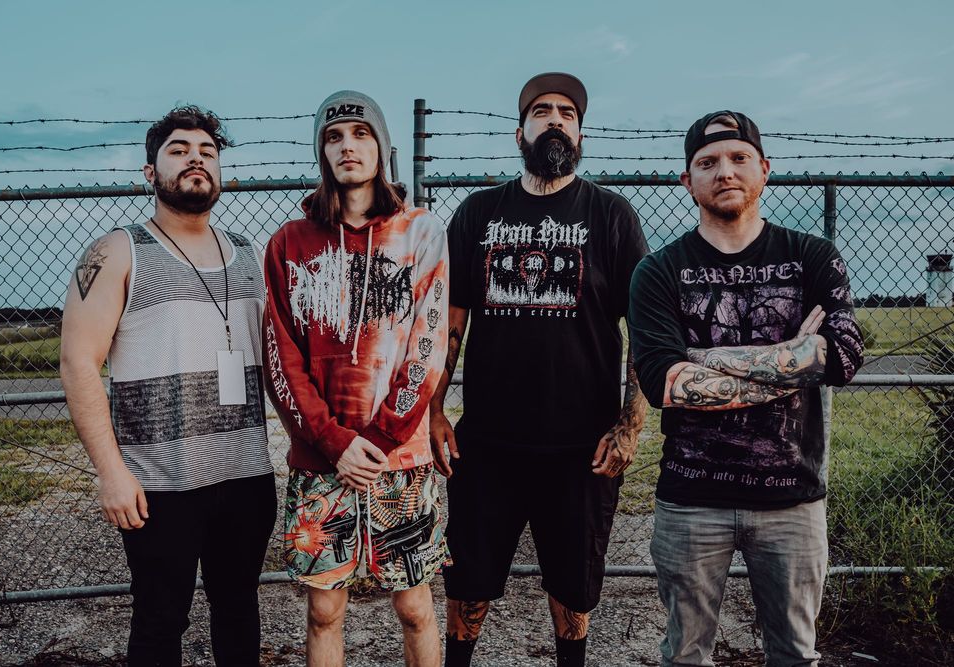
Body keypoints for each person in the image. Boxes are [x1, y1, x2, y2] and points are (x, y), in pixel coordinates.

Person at [628, 110, 865, 666]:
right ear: (687, 181)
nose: (725, 171)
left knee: (795, 654)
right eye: (707, 162)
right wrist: (792, 360)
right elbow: (665, 382)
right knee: (685, 655)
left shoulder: (811, 257)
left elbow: (843, 356)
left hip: (791, 498)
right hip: (691, 498)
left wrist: (702, 360)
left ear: (764, 169)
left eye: (739, 158)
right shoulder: (659, 271)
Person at [430, 72, 649, 667]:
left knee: (573, 589)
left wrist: (629, 425)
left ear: (579, 134)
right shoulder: (479, 212)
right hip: (488, 443)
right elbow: (450, 324)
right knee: (467, 580)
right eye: (542, 111)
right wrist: (434, 410)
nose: (555, 120)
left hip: (582, 447)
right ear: (520, 131)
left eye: (567, 114)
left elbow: (643, 329)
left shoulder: (611, 215)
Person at [60, 105, 276, 666]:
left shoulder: (250, 254)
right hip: (160, 481)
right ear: (150, 172)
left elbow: (278, 362)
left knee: (240, 609)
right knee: (160, 619)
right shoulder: (118, 251)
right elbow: (79, 362)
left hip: (247, 475)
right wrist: (111, 472)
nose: (195, 160)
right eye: (179, 151)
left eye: (207, 152)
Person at [263, 90, 450, 667]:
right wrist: (334, 441)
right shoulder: (290, 243)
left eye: (361, 133)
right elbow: (281, 356)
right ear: (321, 152)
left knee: (414, 606)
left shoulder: (420, 232)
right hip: (322, 459)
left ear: (382, 146)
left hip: (401, 457)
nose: (348, 146)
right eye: (334, 136)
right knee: (324, 610)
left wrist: (381, 436)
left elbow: (428, 343)